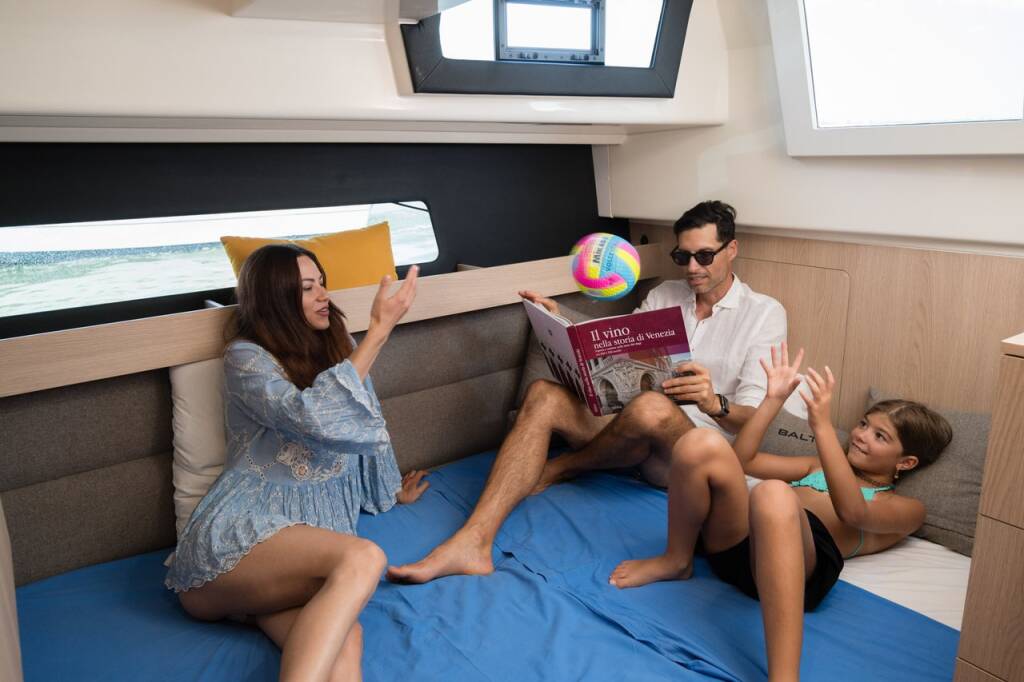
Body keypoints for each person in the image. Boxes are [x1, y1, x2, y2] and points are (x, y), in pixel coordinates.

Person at [387, 200, 786, 584]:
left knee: (651, 407)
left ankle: (563, 467)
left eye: (704, 256)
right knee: (543, 394)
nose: (693, 268)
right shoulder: (665, 294)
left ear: (732, 249)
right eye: (683, 257)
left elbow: (755, 418)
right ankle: (473, 541)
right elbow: (621, 351)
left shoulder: (764, 314)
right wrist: (561, 323)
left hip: (688, 453)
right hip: (630, 435)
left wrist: (713, 402)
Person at [608, 343, 952, 681]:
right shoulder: (817, 466)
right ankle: (676, 559)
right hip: (739, 545)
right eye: (863, 424)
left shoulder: (906, 508)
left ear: (906, 463)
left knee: (772, 493)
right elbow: (742, 461)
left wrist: (822, 427)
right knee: (700, 443)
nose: (861, 436)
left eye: (880, 436)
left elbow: (852, 512)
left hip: (798, 572)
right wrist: (773, 401)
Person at [164, 244, 428, 682]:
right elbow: (311, 417)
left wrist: (389, 490)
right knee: (365, 558)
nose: (324, 294)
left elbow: (366, 419)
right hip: (234, 546)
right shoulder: (246, 359)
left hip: (282, 577)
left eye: (322, 283)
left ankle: (255, 611)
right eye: (307, 288)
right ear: (275, 297)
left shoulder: (339, 347)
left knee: (347, 643)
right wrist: (380, 331)